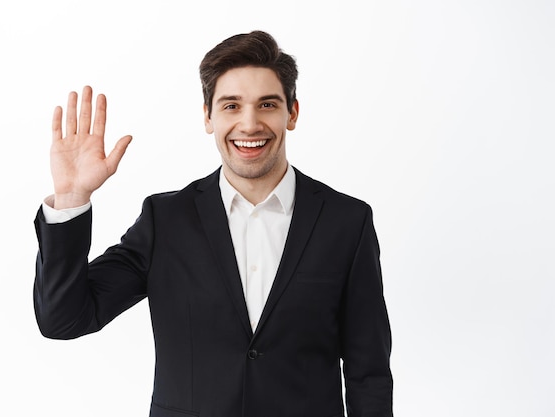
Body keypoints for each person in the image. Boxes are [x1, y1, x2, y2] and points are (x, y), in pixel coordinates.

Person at [34, 30, 393, 417]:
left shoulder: (347, 222)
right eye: (231, 106)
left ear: (292, 112)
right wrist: (72, 199)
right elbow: (64, 319)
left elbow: (368, 372)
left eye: (267, 104)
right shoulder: (165, 221)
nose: (250, 124)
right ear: (208, 116)